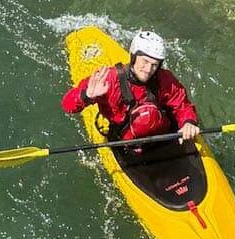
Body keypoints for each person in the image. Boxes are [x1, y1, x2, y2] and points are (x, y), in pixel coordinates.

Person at [62, 31, 200, 153]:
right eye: (145, 61)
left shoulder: (164, 79)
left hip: (162, 135)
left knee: (150, 117)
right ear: (133, 57)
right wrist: (87, 96)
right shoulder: (109, 80)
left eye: (154, 65)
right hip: (125, 143)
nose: (148, 69)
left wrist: (188, 122)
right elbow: (67, 105)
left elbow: (182, 104)